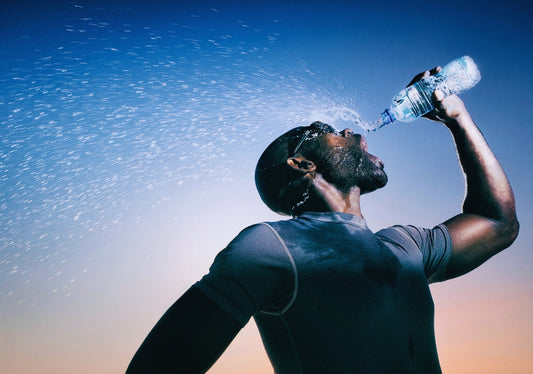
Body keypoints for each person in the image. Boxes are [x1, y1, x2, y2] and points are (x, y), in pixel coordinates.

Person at [126, 67, 519, 373]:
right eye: (326, 131)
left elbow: (498, 223)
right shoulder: (269, 249)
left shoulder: (405, 245)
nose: (349, 130)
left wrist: (457, 119)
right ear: (302, 163)